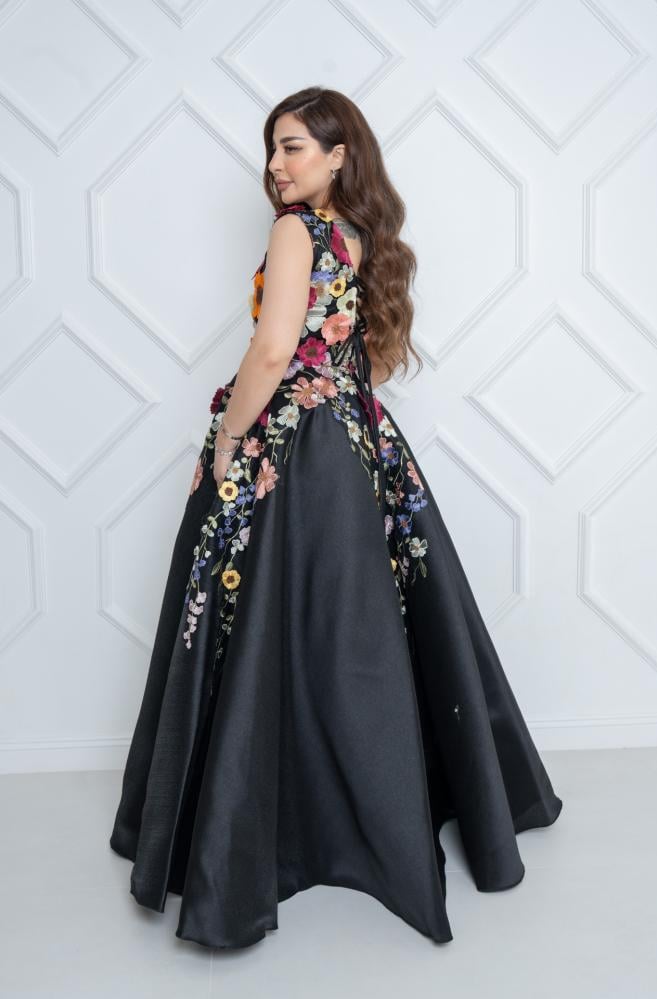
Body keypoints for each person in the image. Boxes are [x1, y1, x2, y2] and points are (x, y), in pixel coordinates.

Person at [109, 86, 562, 951]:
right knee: (350, 632)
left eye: (292, 147)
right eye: (272, 148)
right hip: (358, 446)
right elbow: (369, 362)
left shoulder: (295, 232)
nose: (275, 166)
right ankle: (367, 811)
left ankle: (257, 829)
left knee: (267, 624)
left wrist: (230, 438)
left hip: (288, 448)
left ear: (337, 154)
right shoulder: (361, 236)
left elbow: (273, 349)